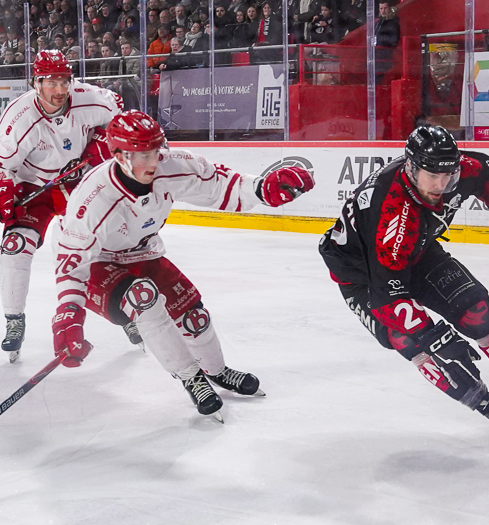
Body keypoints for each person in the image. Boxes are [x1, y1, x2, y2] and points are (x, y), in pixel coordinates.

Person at [51, 110, 315, 421]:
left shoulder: (171, 164)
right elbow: (72, 261)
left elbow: (220, 185)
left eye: (155, 152)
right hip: (97, 262)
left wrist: (261, 189)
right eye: (142, 156)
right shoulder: (93, 198)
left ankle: (216, 371)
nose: (152, 163)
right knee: (143, 298)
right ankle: (192, 378)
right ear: (119, 155)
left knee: (194, 314)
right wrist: (68, 314)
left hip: (144, 252)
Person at [318, 125, 489, 446]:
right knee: (410, 340)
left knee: (477, 314)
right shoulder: (392, 213)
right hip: (365, 277)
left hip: (417, 251)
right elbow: (387, 296)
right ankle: (488, 405)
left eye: (448, 176)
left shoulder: (451, 168)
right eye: (432, 176)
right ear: (411, 167)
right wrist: (433, 336)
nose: (440, 185)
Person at [0, 49, 124, 363]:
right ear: (36, 83)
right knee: (15, 245)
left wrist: (103, 140)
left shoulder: (90, 98)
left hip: (80, 183)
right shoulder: (18, 119)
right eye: (51, 82)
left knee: (103, 247)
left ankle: (123, 309)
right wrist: (3, 189)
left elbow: (120, 113)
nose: (59, 90)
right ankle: (14, 319)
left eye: (64, 81)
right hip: (35, 186)